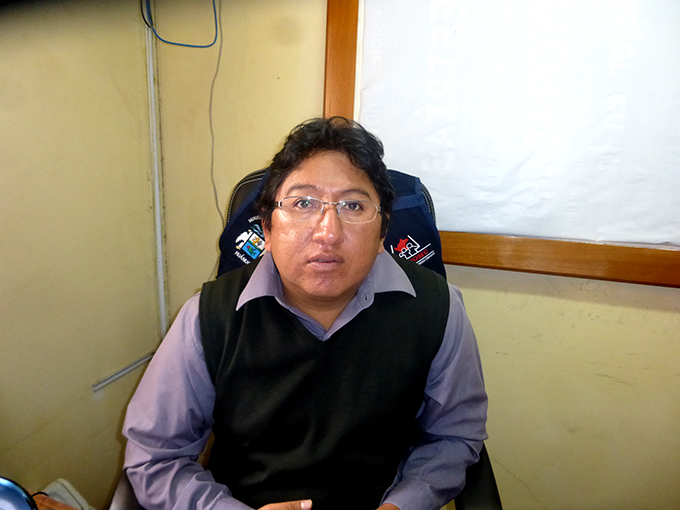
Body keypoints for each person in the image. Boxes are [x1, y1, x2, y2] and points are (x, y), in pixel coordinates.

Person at [123, 117, 488, 510]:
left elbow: (454, 437)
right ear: (267, 228)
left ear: (383, 232)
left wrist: (402, 506)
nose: (327, 232)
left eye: (353, 205)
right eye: (303, 203)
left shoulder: (439, 309)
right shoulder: (208, 318)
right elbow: (154, 457)